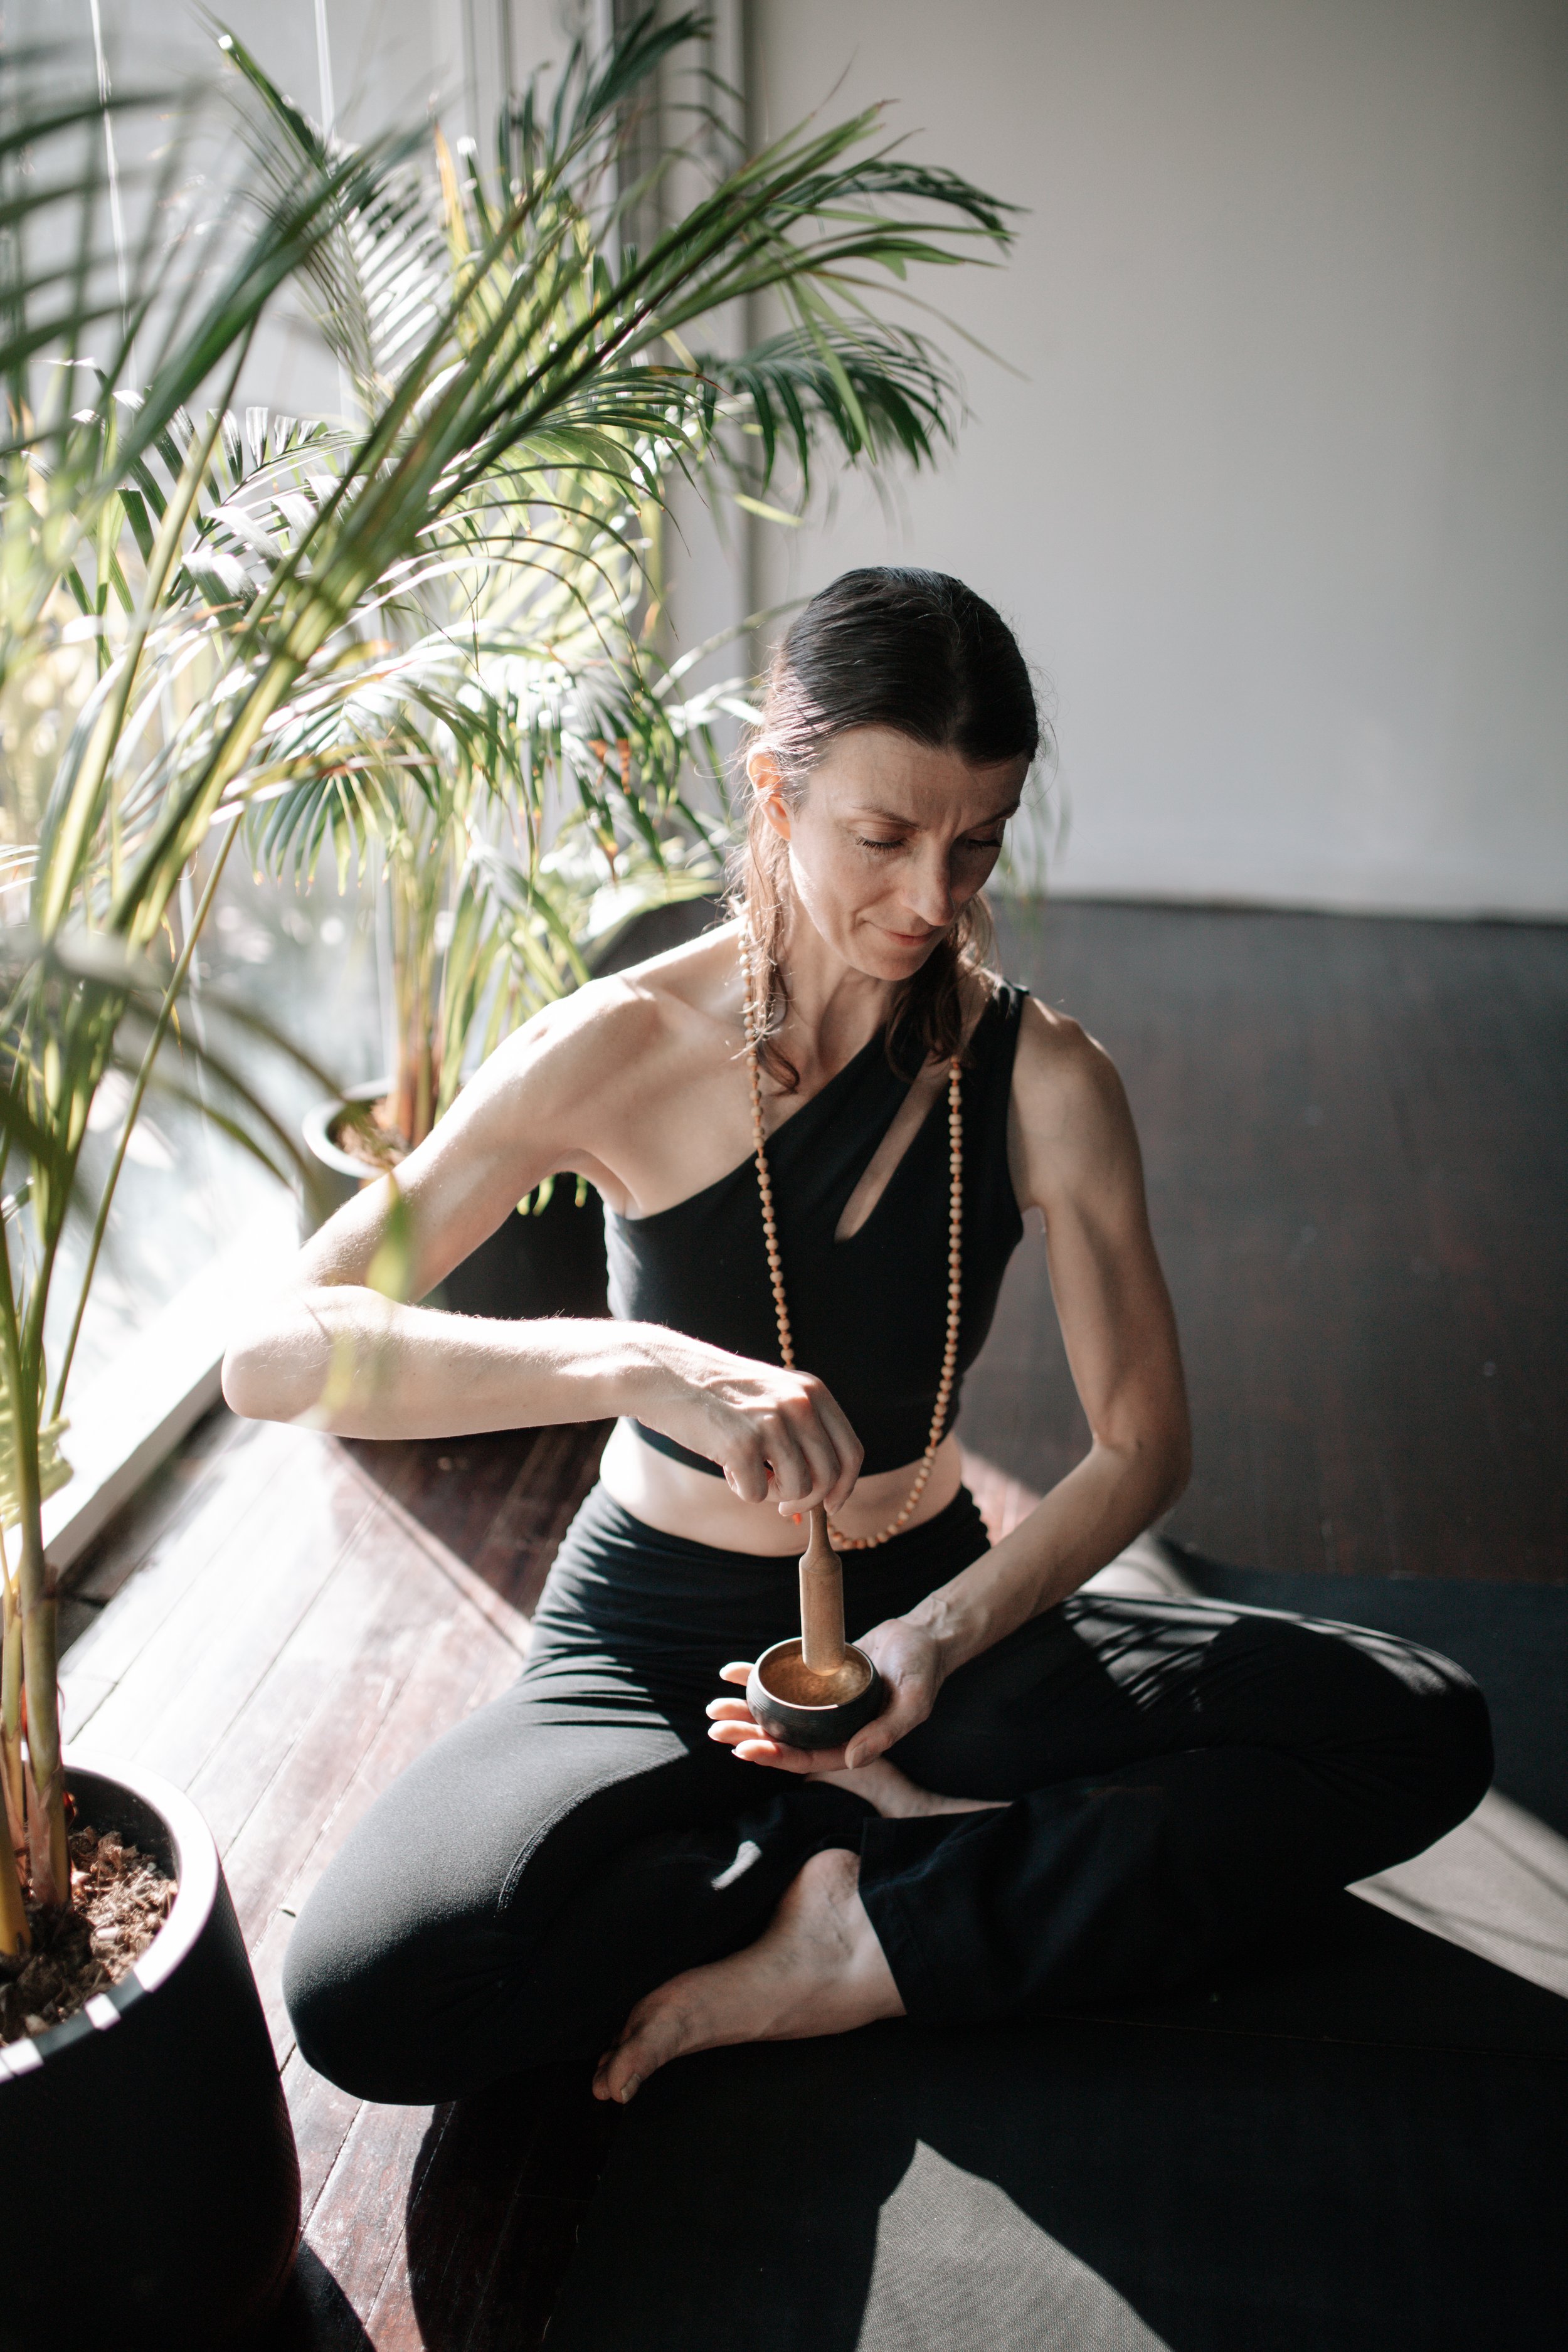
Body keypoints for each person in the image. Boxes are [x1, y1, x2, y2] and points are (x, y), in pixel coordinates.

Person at [223, 567, 1491, 2111]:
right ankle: (849, 1845)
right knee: (366, 1997)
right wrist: (638, 1366)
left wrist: (935, 1640)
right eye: (881, 839)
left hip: (924, 1607)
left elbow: (1142, 1445)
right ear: (775, 789)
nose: (928, 902)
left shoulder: (1046, 1080)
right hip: (645, 1632)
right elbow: (273, 1356)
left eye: (974, 846)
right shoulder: (617, 1046)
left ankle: (869, 1942)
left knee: (1412, 1732)